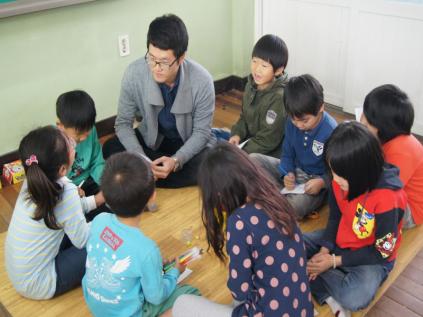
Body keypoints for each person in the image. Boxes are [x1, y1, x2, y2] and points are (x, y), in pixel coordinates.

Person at [173, 143, 313, 317]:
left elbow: (240, 290)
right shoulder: (277, 199)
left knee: (181, 303)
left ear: (219, 191)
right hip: (302, 310)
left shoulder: (239, 220)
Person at [304, 121, 407, 317]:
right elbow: (335, 217)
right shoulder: (340, 178)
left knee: (355, 297)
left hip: (372, 257)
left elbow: (382, 253)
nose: (335, 180)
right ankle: (320, 277)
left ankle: (312, 275)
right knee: (290, 242)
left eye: (340, 176)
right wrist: (325, 249)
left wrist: (332, 261)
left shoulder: (389, 199)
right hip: (341, 240)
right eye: (332, 172)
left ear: (361, 172)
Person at [102, 14, 216, 188]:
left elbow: (201, 132)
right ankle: (148, 170)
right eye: (151, 58)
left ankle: (144, 175)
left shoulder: (202, 80)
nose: (156, 67)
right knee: (111, 148)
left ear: (181, 57)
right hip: (152, 140)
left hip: (186, 141)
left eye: (164, 62)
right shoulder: (134, 74)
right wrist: (141, 158)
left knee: (211, 161)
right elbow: (123, 124)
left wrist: (177, 160)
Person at [82, 152, 200, 317]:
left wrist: (155, 266)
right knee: (191, 296)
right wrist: (175, 272)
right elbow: (156, 297)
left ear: (106, 196)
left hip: (95, 305)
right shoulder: (147, 250)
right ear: (152, 197)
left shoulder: (99, 220)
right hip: (129, 313)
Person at [5, 126, 93, 299]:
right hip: (40, 283)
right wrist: (106, 221)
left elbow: (67, 214)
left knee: (86, 223)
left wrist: (95, 200)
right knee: (105, 242)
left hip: (20, 274)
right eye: (69, 144)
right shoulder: (66, 192)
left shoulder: (34, 179)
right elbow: (83, 240)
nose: (72, 143)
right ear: (61, 170)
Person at [251, 74, 337, 219]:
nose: (298, 125)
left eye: (304, 121)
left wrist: (322, 182)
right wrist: (287, 173)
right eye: (293, 119)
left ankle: (273, 198)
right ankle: (277, 198)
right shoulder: (292, 122)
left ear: (321, 107)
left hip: (314, 184)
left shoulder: (331, 131)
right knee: (252, 160)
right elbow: (287, 153)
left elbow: (337, 170)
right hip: (295, 173)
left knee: (295, 206)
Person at [213, 34, 289, 158]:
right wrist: (237, 134)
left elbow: (268, 140)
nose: (257, 69)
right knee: (213, 133)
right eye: (254, 61)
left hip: (268, 153)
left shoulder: (279, 97)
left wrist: (240, 151)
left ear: (278, 70)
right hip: (249, 142)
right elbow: (244, 117)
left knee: (227, 157)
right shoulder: (251, 85)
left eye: (264, 66)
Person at [360, 84, 423, 228]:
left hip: (410, 209)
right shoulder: (388, 137)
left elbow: (387, 191)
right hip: (391, 189)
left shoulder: (402, 152)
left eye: (366, 118)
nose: (361, 119)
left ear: (381, 127)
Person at [56, 90, 107, 219]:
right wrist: (69, 189)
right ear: (60, 126)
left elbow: (97, 161)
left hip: (88, 182)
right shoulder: (52, 143)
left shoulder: (90, 130)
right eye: (78, 134)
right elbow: (50, 181)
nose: (84, 137)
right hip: (63, 191)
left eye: (88, 132)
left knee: (109, 212)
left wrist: (106, 183)